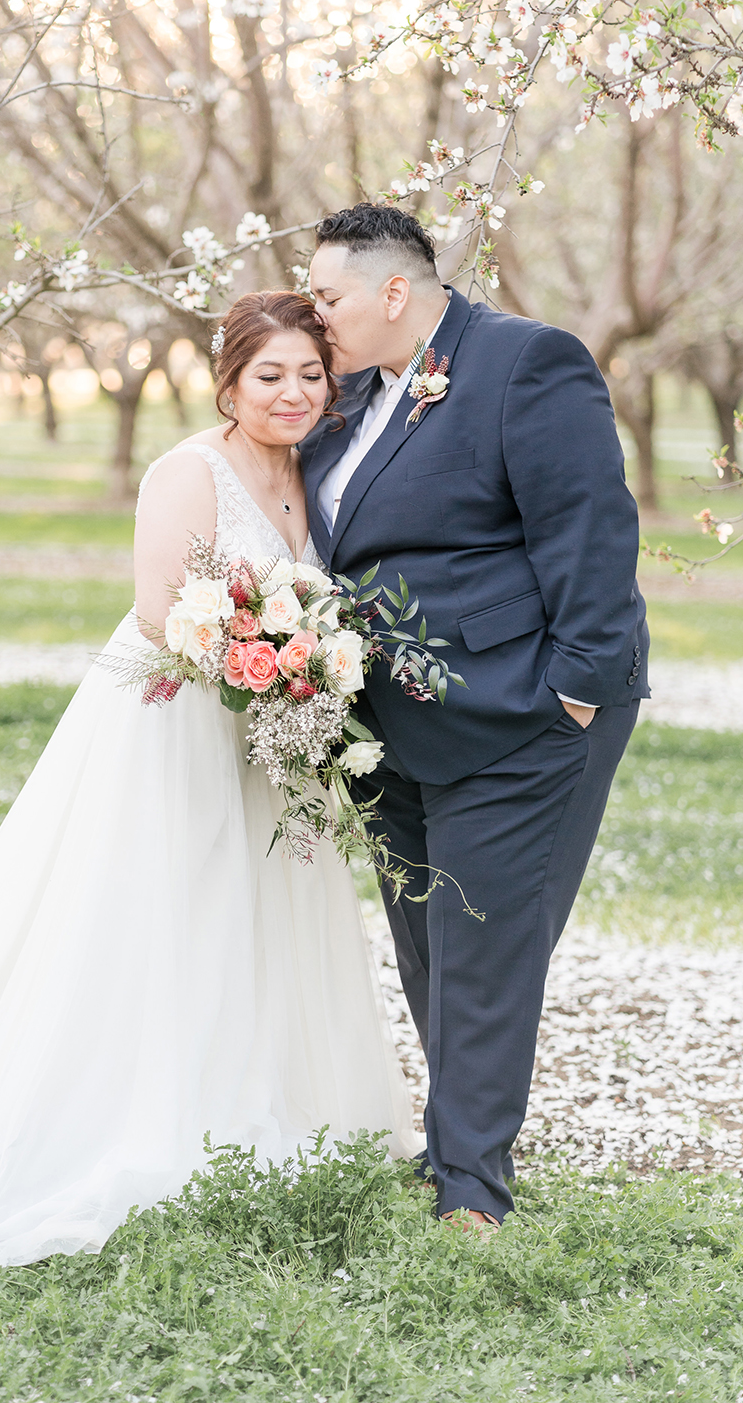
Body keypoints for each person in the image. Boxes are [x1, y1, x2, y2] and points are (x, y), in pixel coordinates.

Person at [0, 291, 416, 1289]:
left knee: (267, 907)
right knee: (170, 907)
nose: (291, 393)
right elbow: (160, 614)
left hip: (276, 731)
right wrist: (277, 652)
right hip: (177, 719)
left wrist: (312, 670)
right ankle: (152, 1110)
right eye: (268, 375)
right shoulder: (187, 470)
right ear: (228, 380)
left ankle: (275, 1098)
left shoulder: (316, 469)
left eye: (310, 376)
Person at [300, 204, 648, 1233]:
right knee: (427, 947)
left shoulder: (525, 363)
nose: (317, 319)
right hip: (385, 725)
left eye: (328, 298)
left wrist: (573, 692)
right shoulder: (352, 395)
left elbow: (589, 528)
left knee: (486, 949)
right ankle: (455, 1148)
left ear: (393, 291)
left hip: (517, 717)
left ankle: (472, 1201)